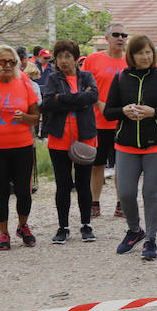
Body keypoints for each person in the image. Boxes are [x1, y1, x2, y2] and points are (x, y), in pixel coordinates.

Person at [103, 34, 157, 261]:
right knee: (126, 193)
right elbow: (108, 112)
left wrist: (153, 112)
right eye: (140, 52)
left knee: (150, 193)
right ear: (131, 55)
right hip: (126, 144)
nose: (145, 56)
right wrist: (123, 111)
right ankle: (135, 230)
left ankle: (151, 239)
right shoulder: (120, 78)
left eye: (148, 52)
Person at [0, 44, 40, 250]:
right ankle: (3, 233)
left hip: (22, 145)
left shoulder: (25, 82)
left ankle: (23, 226)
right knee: (0, 192)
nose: (8, 65)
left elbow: (36, 118)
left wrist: (25, 118)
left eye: (12, 61)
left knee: (24, 191)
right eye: (3, 62)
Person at [42, 39, 99, 244]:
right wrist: (77, 99)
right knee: (63, 184)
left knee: (84, 184)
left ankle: (86, 225)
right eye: (60, 57)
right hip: (59, 138)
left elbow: (93, 96)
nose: (64, 61)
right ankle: (63, 227)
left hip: (85, 137)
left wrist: (62, 99)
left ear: (76, 58)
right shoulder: (53, 79)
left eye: (68, 56)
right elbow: (47, 103)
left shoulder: (86, 76)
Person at [83, 23, 129, 218]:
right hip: (98, 122)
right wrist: (100, 104)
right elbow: (84, 87)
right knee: (97, 164)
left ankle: (121, 203)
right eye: (116, 34)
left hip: (123, 122)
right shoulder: (93, 59)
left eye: (123, 35)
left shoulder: (131, 61)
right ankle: (95, 203)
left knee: (123, 165)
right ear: (107, 38)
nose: (120, 38)